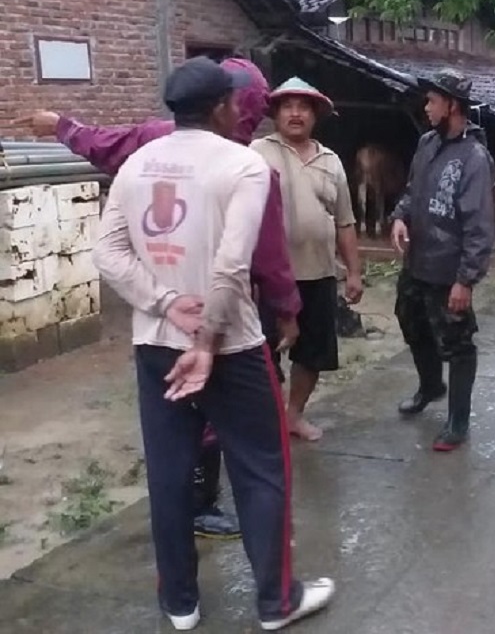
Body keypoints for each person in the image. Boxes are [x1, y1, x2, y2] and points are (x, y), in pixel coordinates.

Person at [11, 57, 300, 541]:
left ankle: (182, 544)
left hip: (158, 323)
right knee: (241, 432)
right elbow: (265, 258)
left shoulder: (151, 147)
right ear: (233, 108)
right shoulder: (249, 170)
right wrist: (288, 309)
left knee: (173, 427)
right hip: (222, 322)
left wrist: (61, 125)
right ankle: (222, 523)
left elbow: (105, 148)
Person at [92, 56, 333, 630]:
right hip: (232, 347)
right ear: (225, 106)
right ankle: (276, 602)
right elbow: (231, 264)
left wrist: (163, 303)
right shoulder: (243, 166)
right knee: (262, 469)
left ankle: (180, 603)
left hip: (155, 346)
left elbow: (108, 253)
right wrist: (206, 337)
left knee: (169, 472)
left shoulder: (136, 164)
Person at [251, 77, 363, 442]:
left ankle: (293, 416)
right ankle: (265, 419)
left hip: (318, 274)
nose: (296, 114)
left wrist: (354, 273)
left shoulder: (330, 161)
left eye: (303, 107)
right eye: (288, 106)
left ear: (315, 115)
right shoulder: (257, 152)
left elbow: (345, 221)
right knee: (263, 351)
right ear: (276, 113)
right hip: (266, 278)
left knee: (312, 352)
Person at [390, 69, 495, 452]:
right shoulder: (426, 144)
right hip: (417, 260)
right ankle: (431, 385)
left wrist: (465, 280)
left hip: (449, 269)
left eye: (433, 100)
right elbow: (411, 189)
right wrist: (401, 215)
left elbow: (480, 225)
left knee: (458, 343)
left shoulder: (474, 158)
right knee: (410, 321)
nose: (427, 106)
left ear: (452, 105)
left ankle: (458, 421)